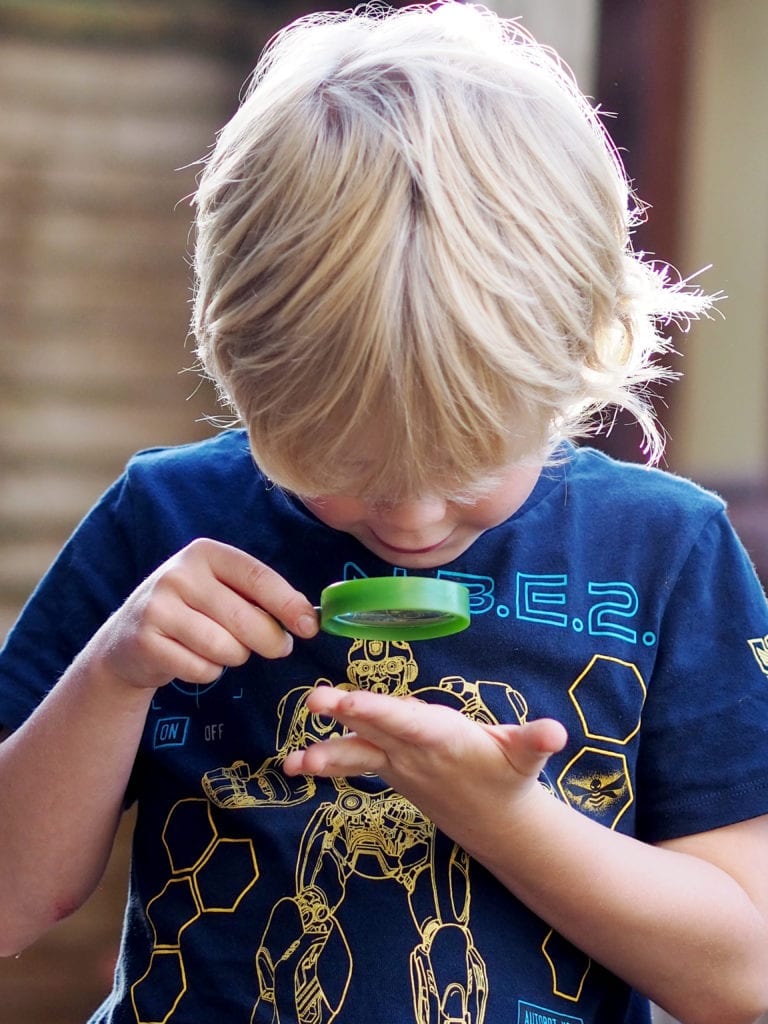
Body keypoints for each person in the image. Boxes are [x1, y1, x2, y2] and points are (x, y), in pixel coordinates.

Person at [1, 4, 767, 1023]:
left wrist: (498, 814)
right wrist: (111, 674)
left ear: (583, 349)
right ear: (245, 375)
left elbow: (741, 974)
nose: (410, 521)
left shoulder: (665, 551)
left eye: (467, 466)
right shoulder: (170, 520)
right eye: (341, 465)